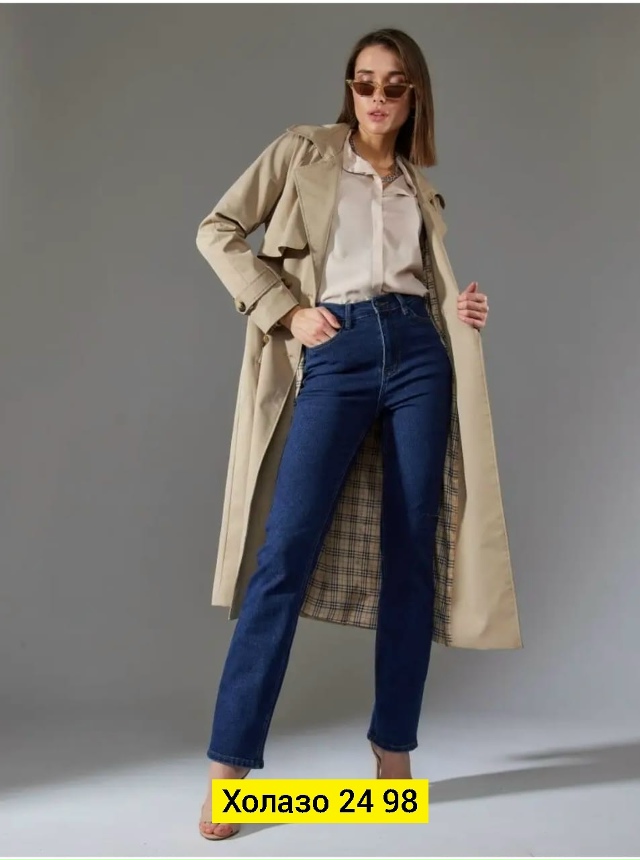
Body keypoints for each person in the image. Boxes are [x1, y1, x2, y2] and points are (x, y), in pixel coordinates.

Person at [196, 27, 496, 841]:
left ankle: (393, 754)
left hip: (420, 353)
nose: (377, 98)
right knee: (284, 555)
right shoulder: (305, 151)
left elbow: (421, 284)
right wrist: (286, 311)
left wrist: (462, 312)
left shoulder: (420, 189)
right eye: (365, 82)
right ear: (350, 89)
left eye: (394, 85)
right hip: (338, 347)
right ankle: (229, 768)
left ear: (414, 95)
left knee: (412, 553)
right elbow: (217, 229)